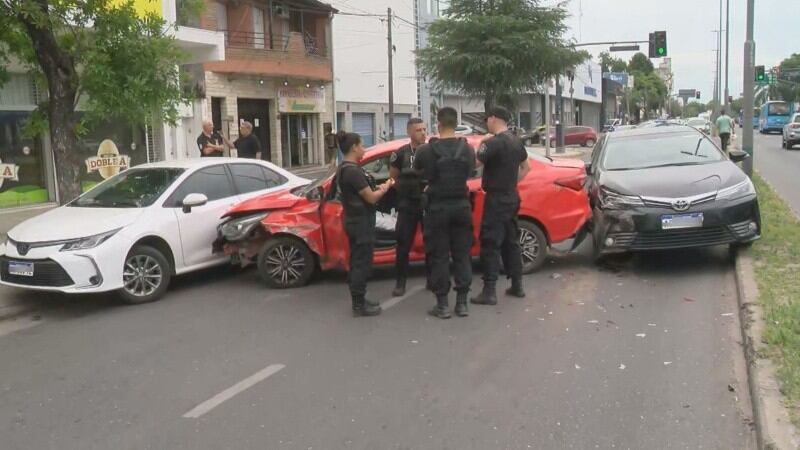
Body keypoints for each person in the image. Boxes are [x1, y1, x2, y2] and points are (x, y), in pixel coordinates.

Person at [413, 107, 475, 319]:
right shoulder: (467, 149)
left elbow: (417, 172)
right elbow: (471, 172)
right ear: (456, 123)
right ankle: (462, 303)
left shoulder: (425, 151)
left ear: (438, 124)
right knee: (462, 255)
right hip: (461, 207)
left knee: (439, 256)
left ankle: (442, 305)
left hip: (437, 208)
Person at [472, 106, 531, 306]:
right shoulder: (515, 140)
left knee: (490, 243)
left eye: (487, 119)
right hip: (512, 196)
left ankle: (489, 291)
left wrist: (481, 142)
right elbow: (526, 167)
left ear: (494, 119)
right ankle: (517, 285)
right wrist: (512, 183)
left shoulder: (493, 143)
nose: (486, 122)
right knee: (511, 241)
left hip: (496, 199)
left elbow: (474, 164)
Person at [336, 131, 395, 317]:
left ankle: (361, 296)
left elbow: (363, 192)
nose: (364, 149)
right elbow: (370, 198)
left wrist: (376, 188)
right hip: (360, 222)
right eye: (362, 145)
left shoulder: (348, 168)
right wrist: (384, 188)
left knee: (358, 261)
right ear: (354, 147)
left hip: (356, 220)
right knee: (361, 263)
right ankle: (358, 304)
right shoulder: (351, 171)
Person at [389, 118, 428, 297]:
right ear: (410, 132)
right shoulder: (401, 153)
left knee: (432, 243)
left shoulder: (431, 151)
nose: (423, 133)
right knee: (403, 245)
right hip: (407, 204)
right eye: (419, 130)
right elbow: (393, 178)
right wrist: (406, 190)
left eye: (424, 129)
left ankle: (432, 279)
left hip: (428, 202)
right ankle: (400, 282)